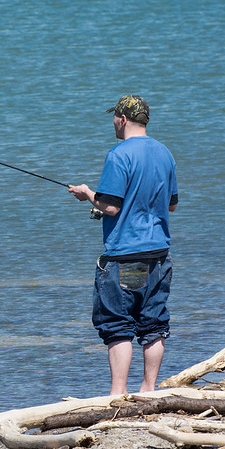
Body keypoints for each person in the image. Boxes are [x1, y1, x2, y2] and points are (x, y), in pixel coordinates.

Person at [68, 95, 178, 395]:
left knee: (118, 327)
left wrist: (88, 193)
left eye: (114, 118)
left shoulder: (118, 155)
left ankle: (118, 395)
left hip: (123, 256)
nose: (114, 123)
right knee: (154, 325)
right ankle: (148, 390)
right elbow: (172, 205)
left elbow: (111, 207)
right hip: (159, 254)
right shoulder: (165, 153)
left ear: (123, 119)